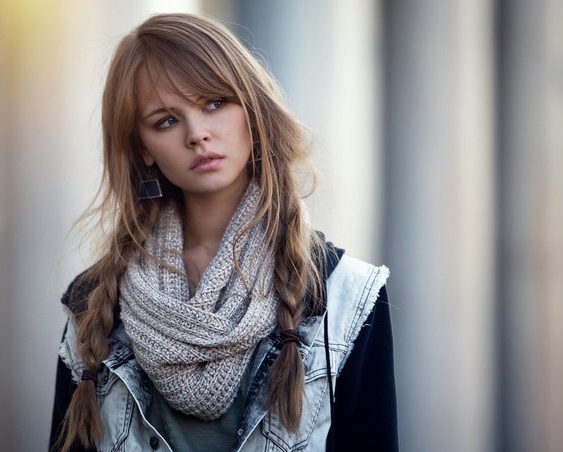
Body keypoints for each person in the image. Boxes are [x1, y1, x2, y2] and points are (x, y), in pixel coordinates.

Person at [49, 13, 397, 452]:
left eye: (214, 103)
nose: (197, 134)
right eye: (166, 121)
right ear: (143, 150)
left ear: (252, 109)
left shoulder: (348, 294)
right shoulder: (94, 302)